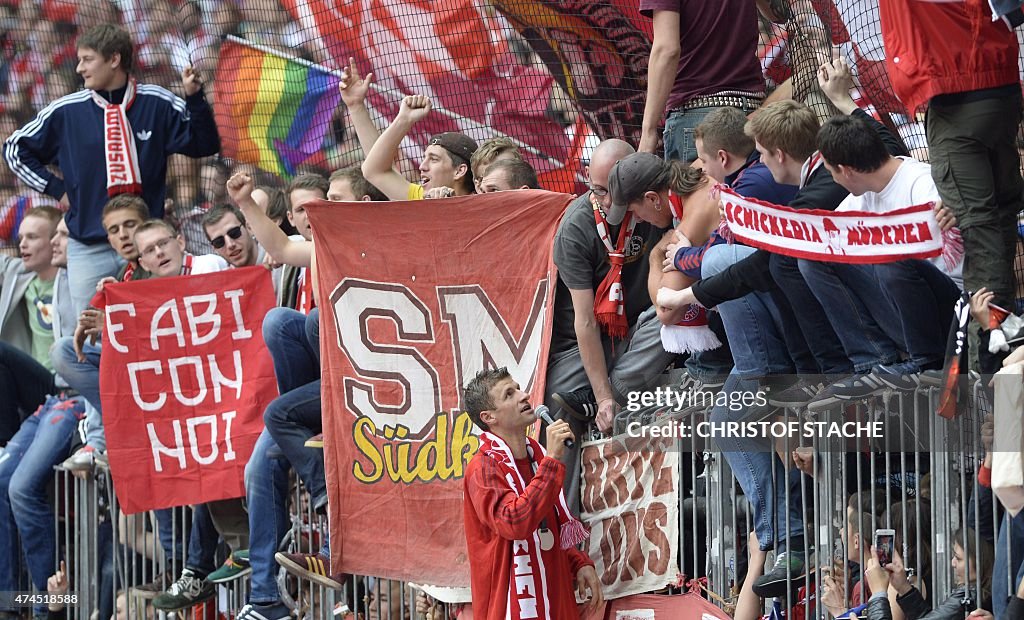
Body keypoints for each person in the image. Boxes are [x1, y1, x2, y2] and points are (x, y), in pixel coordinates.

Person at [3, 24, 220, 313]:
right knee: (92, 336)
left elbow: (205, 144)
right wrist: (57, 189)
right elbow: (14, 148)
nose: (80, 68)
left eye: (87, 59)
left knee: (157, 323)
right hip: (88, 245)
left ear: (114, 59)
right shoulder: (66, 111)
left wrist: (194, 99)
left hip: (149, 244)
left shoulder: (156, 102)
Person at [545, 139, 675, 512]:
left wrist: (606, 395)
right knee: (559, 417)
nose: (604, 200)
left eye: (612, 193)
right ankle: (561, 525)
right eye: (597, 190)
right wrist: (601, 396)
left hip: (634, 332)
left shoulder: (654, 206)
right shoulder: (576, 227)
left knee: (671, 317)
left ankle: (606, 396)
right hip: (580, 345)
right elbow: (584, 321)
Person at [462, 367, 602, 619]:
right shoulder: (482, 468)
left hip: (555, 604)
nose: (524, 395)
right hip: (512, 608)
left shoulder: (536, 456)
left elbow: (546, 530)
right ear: (489, 417)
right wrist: (553, 459)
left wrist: (578, 562)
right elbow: (515, 523)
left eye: (519, 388)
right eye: (509, 394)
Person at [638, 0, 765, 161]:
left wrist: (648, 130)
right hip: (750, 114)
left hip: (697, 118)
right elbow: (779, 15)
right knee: (750, 185)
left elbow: (667, 50)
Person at [361, 95, 478, 201]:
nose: (422, 166)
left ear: (459, 171)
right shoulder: (421, 197)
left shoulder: (482, 203)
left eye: (434, 159)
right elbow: (374, 170)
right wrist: (404, 120)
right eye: (425, 158)